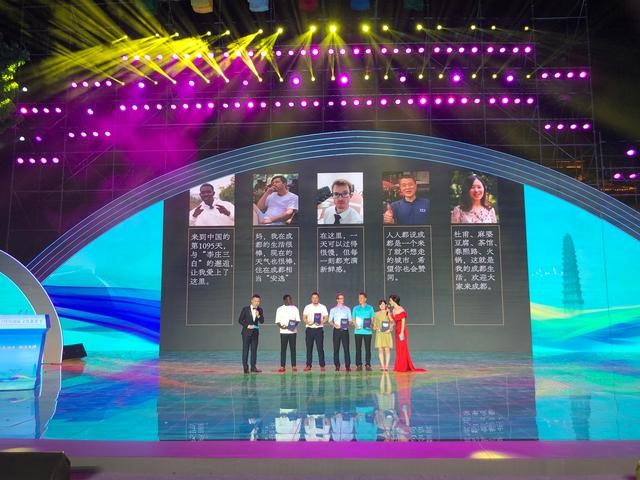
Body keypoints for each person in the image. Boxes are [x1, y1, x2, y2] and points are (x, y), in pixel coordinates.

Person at [387, 294, 426, 373]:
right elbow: (392, 321)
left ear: (394, 301)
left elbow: (403, 321)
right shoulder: (393, 310)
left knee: (403, 348)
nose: (389, 302)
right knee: (398, 349)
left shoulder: (401, 309)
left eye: (390, 300)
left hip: (402, 331)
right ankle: (399, 366)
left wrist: (401, 332)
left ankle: (403, 367)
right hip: (397, 330)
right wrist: (388, 313)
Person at [238, 294, 265, 374]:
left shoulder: (260, 310)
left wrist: (258, 315)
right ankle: (245, 368)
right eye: (255, 301)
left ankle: (253, 367)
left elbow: (262, 321)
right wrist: (247, 325)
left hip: (255, 333)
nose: (257, 303)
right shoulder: (245, 309)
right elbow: (240, 320)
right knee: (245, 350)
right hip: (246, 333)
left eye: (258, 301)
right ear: (252, 301)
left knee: (254, 351)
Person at [302, 292, 328, 372]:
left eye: (316, 298)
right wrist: (307, 322)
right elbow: (304, 317)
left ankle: (322, 365)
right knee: (309, 348)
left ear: (318, 298)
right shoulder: (307, 307)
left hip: (319, 330)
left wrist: (321, 322)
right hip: (309, 329)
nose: (315, 299)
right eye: (313, 298)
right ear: (311, 298)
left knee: (320, 348)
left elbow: (326, 317)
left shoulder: (323, 307)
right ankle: (308, 365)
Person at [275, 294, 300, 373]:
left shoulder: (295, 308)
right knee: (283, 349)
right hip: (283, 332)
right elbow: (277, 321)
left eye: (290, 299)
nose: (289, 301)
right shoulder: (279, 309)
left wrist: (291, 327)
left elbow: (297, 320)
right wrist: (281, 327)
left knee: (293, 349)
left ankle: (294, 366)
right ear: (284, 300)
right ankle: (282, 366)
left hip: (293, 332)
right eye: (288, 299)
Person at [329, 292, 352, 371]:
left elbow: (350, 320)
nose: (342, 299)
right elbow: (330, 321)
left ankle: (347, 366)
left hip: (344, 331)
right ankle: (337, 365)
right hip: (336, 331)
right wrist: (334, 325)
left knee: (346, 349)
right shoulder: (333, 310)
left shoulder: (347, 309)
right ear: (337, 300)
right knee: (336, 349)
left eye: (343, 298)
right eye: (341, 298)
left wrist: (347, 324)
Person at [352, 291, 375, 371]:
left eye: (361, 298)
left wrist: (370, 323)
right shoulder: (355, 308)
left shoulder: (370, 308)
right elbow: (353, 319)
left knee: (368, 349)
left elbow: (372, 319)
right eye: (359, 298)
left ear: (365, 299)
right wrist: (356, 325)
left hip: (367, 331)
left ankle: (368, 364)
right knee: (358, 348)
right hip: (358, 331)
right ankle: (359, 364)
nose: (360, 299)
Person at [373, 298, 394, 371]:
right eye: (380, 304)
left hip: (386, 333)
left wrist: (389, 329)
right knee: (380, 350)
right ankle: (382, 365)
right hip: (379, 333)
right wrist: (376, 328)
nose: (382, 305)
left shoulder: (389, 313)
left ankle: (386, 366)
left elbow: (392, 322)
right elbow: (374, 325)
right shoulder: (376, 314)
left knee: (387, 350)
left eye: (383, 304)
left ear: (385, 305)